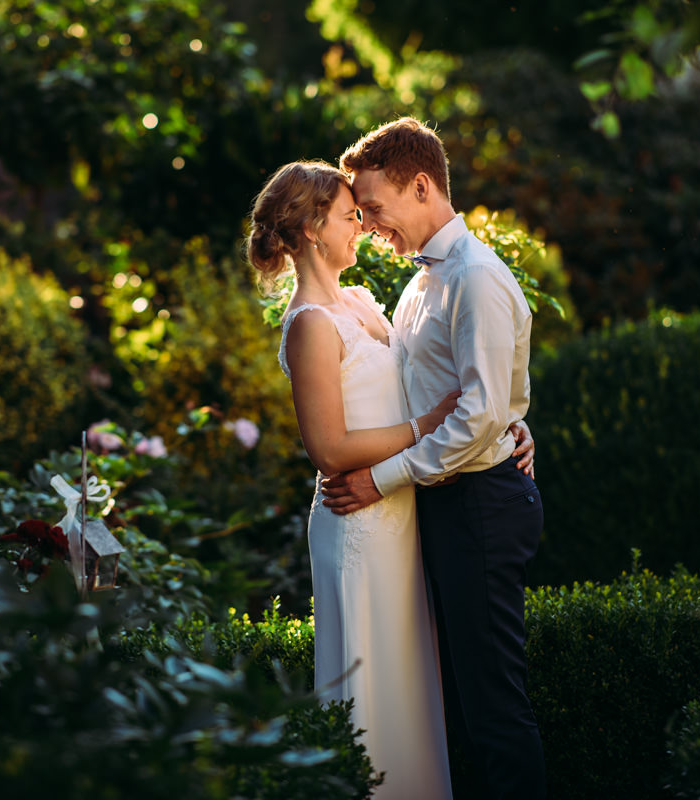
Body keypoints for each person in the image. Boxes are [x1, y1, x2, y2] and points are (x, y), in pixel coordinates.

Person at [246, 160, 534, 799]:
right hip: (361, 517)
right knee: (374, 688)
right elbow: (329, 448)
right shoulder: (310, 324)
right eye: (353, 215)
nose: (365, 227)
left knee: (415, 685)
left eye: (365, 211)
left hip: (402, 511)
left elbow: (439, 376)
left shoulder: (361, 302)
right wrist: (429, 426)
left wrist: (508, 422)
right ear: (313, 229)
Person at [322, 117, 546, 799]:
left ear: (422, 185)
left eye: (376, 209)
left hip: (479, 504)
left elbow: (479, 415)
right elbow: (465, 396)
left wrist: (382, 479)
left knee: (492, 706)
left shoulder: (475, 276)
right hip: (447, 501)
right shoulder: (421, 283)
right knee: (455, 702)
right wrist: (515, 418)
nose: (370, 226)